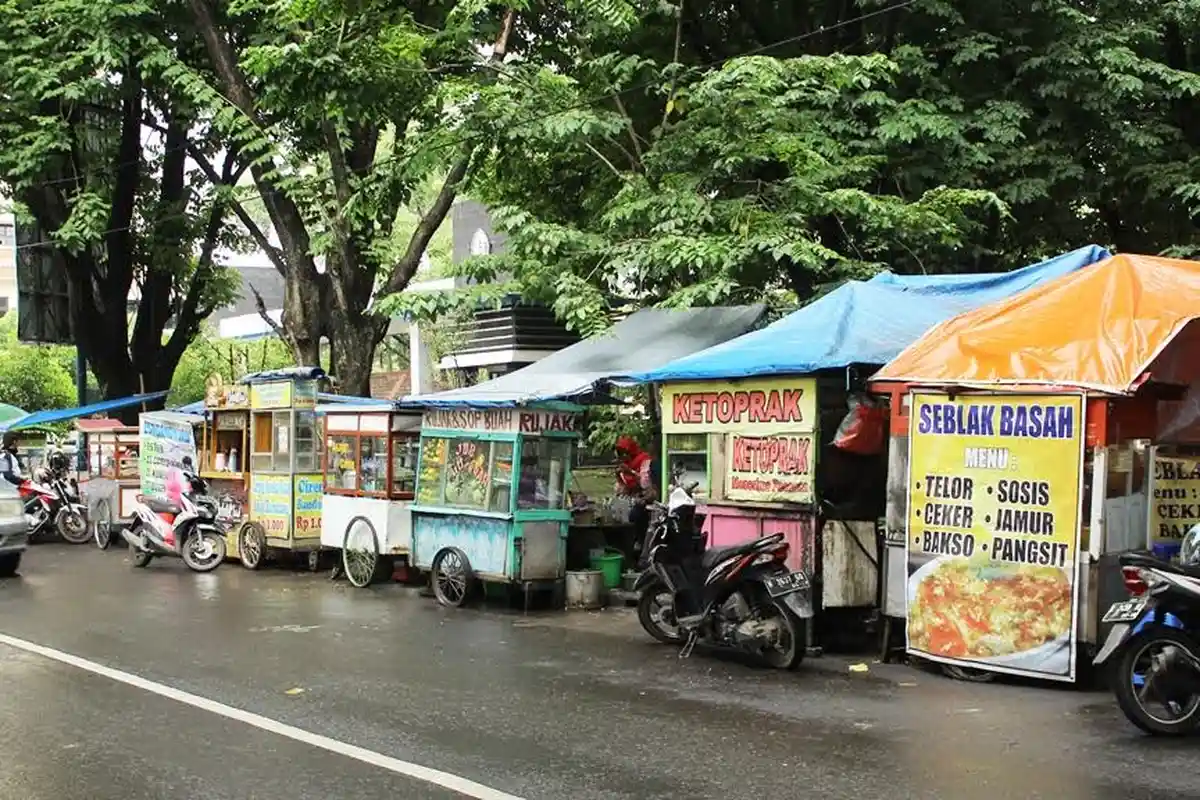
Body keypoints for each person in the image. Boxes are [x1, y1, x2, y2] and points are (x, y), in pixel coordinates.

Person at [614, 436, 659, 565]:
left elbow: (645, 483)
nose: (623, 457)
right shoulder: (625, 465)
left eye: (624, 454)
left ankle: (640, 547)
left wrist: (631, 472)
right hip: (634, 498)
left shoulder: (644, 461)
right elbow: (624, 489)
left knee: (636, 515)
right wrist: (619, 476)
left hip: (649, 500)